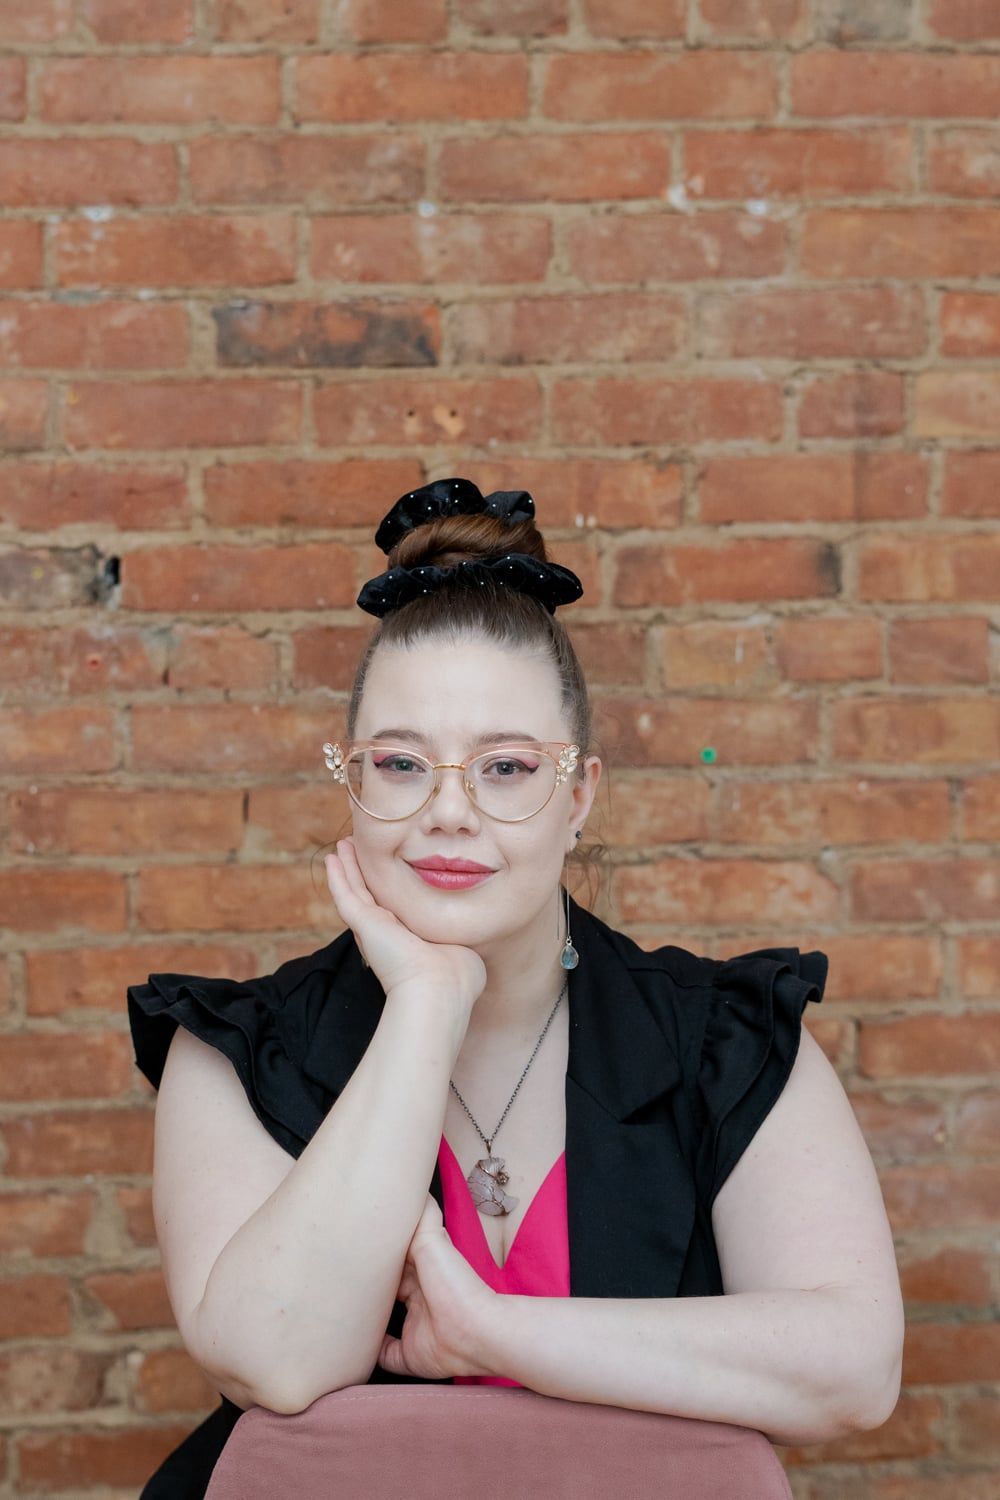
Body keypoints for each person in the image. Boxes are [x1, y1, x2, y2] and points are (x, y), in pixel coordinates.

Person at [126, 477, 904, 1497]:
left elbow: (853, 1374)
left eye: (505, 768)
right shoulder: (236, 1046)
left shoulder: (726, 1040)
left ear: (578, 794)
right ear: (351, 783)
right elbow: (273, 1359)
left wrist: (492, 1330)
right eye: (401, 764)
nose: (448, 812)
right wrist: (427, 1002)